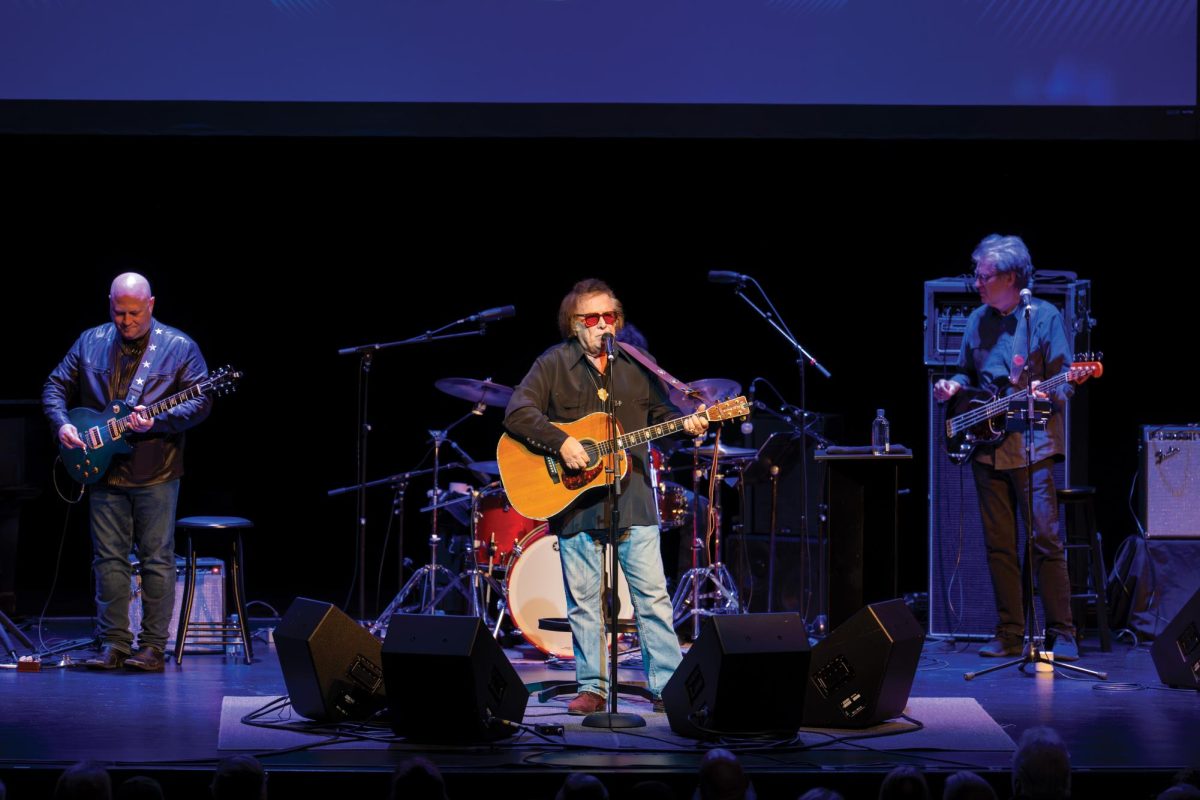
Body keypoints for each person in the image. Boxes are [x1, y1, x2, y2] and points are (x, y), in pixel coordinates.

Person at [503, 278, 708, 715]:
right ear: (573, 324)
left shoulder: (638, 363)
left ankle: (666, 686)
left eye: (608, 316)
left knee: (652, 596)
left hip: (632, 496)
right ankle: (593, 687)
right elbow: (519, 412)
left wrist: (686, 423)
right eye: (590, 318)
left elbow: (663, 417)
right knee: (584, 600)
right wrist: (561, 443)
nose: (601, 325)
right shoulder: (553, 364)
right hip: (576, 503)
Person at [43, 273, 211, 671]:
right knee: (108, 560)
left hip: (155, 470)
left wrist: (159, 422)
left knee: (156, 558)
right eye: (119, 312)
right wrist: (62, 423)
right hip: (102, 470)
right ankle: (114, 643)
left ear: (151, 304)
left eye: (134, 312)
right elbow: (54, 385)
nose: (126, 320)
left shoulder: (178, 346)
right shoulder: (90, 341)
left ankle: (152, 646)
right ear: (109, 304)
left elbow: (201, 402)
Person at [933, 235, 1079, 661]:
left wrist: (1046, 393)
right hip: (985, 447)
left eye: (984, 275)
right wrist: (952, 387)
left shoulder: (1045, 317)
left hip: (1032, 445)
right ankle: (1010, 633)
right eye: (976, 275)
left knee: (1045, 540)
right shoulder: (978, 319)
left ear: (1011, 278)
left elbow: (1068, 379)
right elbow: (964, 372)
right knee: (998, 545)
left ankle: (1062, 632)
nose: (977, 282)